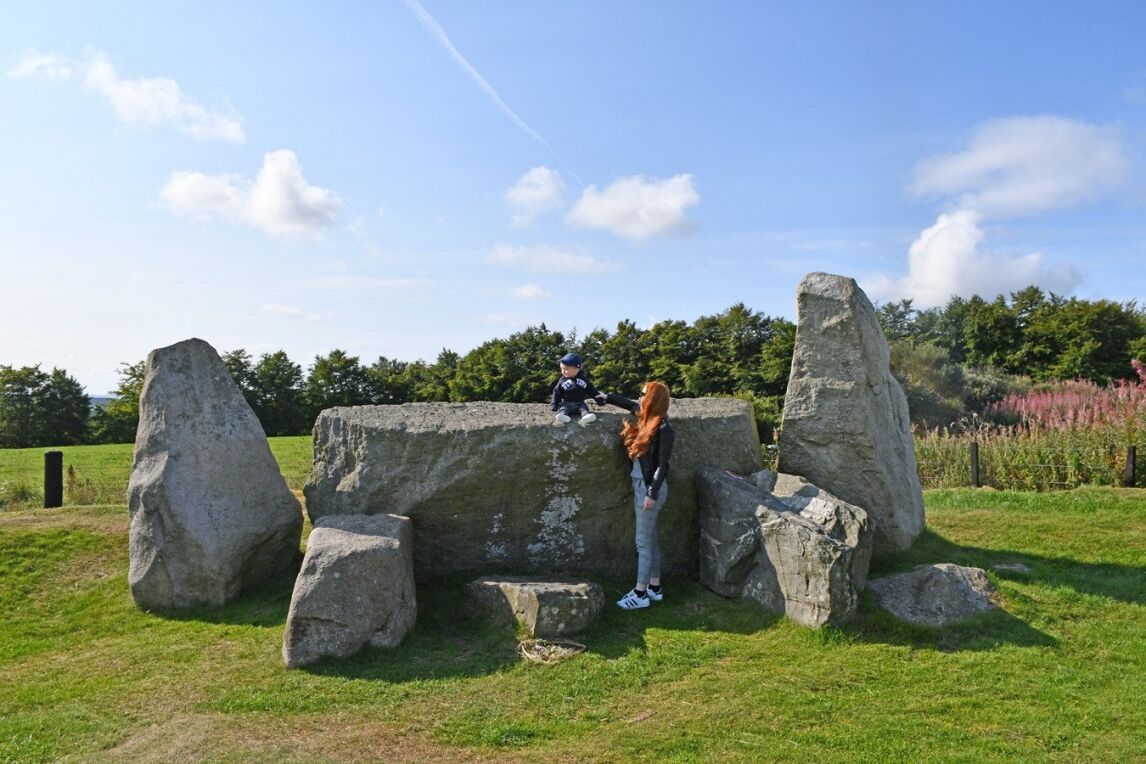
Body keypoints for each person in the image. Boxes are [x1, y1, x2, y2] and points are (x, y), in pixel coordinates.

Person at [598, 381, 675, 609]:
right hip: (642, 486)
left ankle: (640, 594)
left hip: (649, 490)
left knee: (642, 543)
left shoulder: (664, 429)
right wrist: (605, 396)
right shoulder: (645, 417)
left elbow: (663, 466)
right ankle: (655, 587)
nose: (639, 397)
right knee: (650, 540)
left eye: (643, 394)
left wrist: (651, 493)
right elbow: (628, 404)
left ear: (653, 399)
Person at [550, 352, 600, 426]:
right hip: (566, 403)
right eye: (561, 369)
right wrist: (554, 405)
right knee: (563, 408)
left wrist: (599, 399)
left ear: (576, 369)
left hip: (580, 402)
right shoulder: (562, 380)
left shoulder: (583, 379)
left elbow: (591, 389)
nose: (563, 371)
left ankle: (586, 416)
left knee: (584, 408)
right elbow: (557, 392)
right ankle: (563, 416)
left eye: (565, 369)